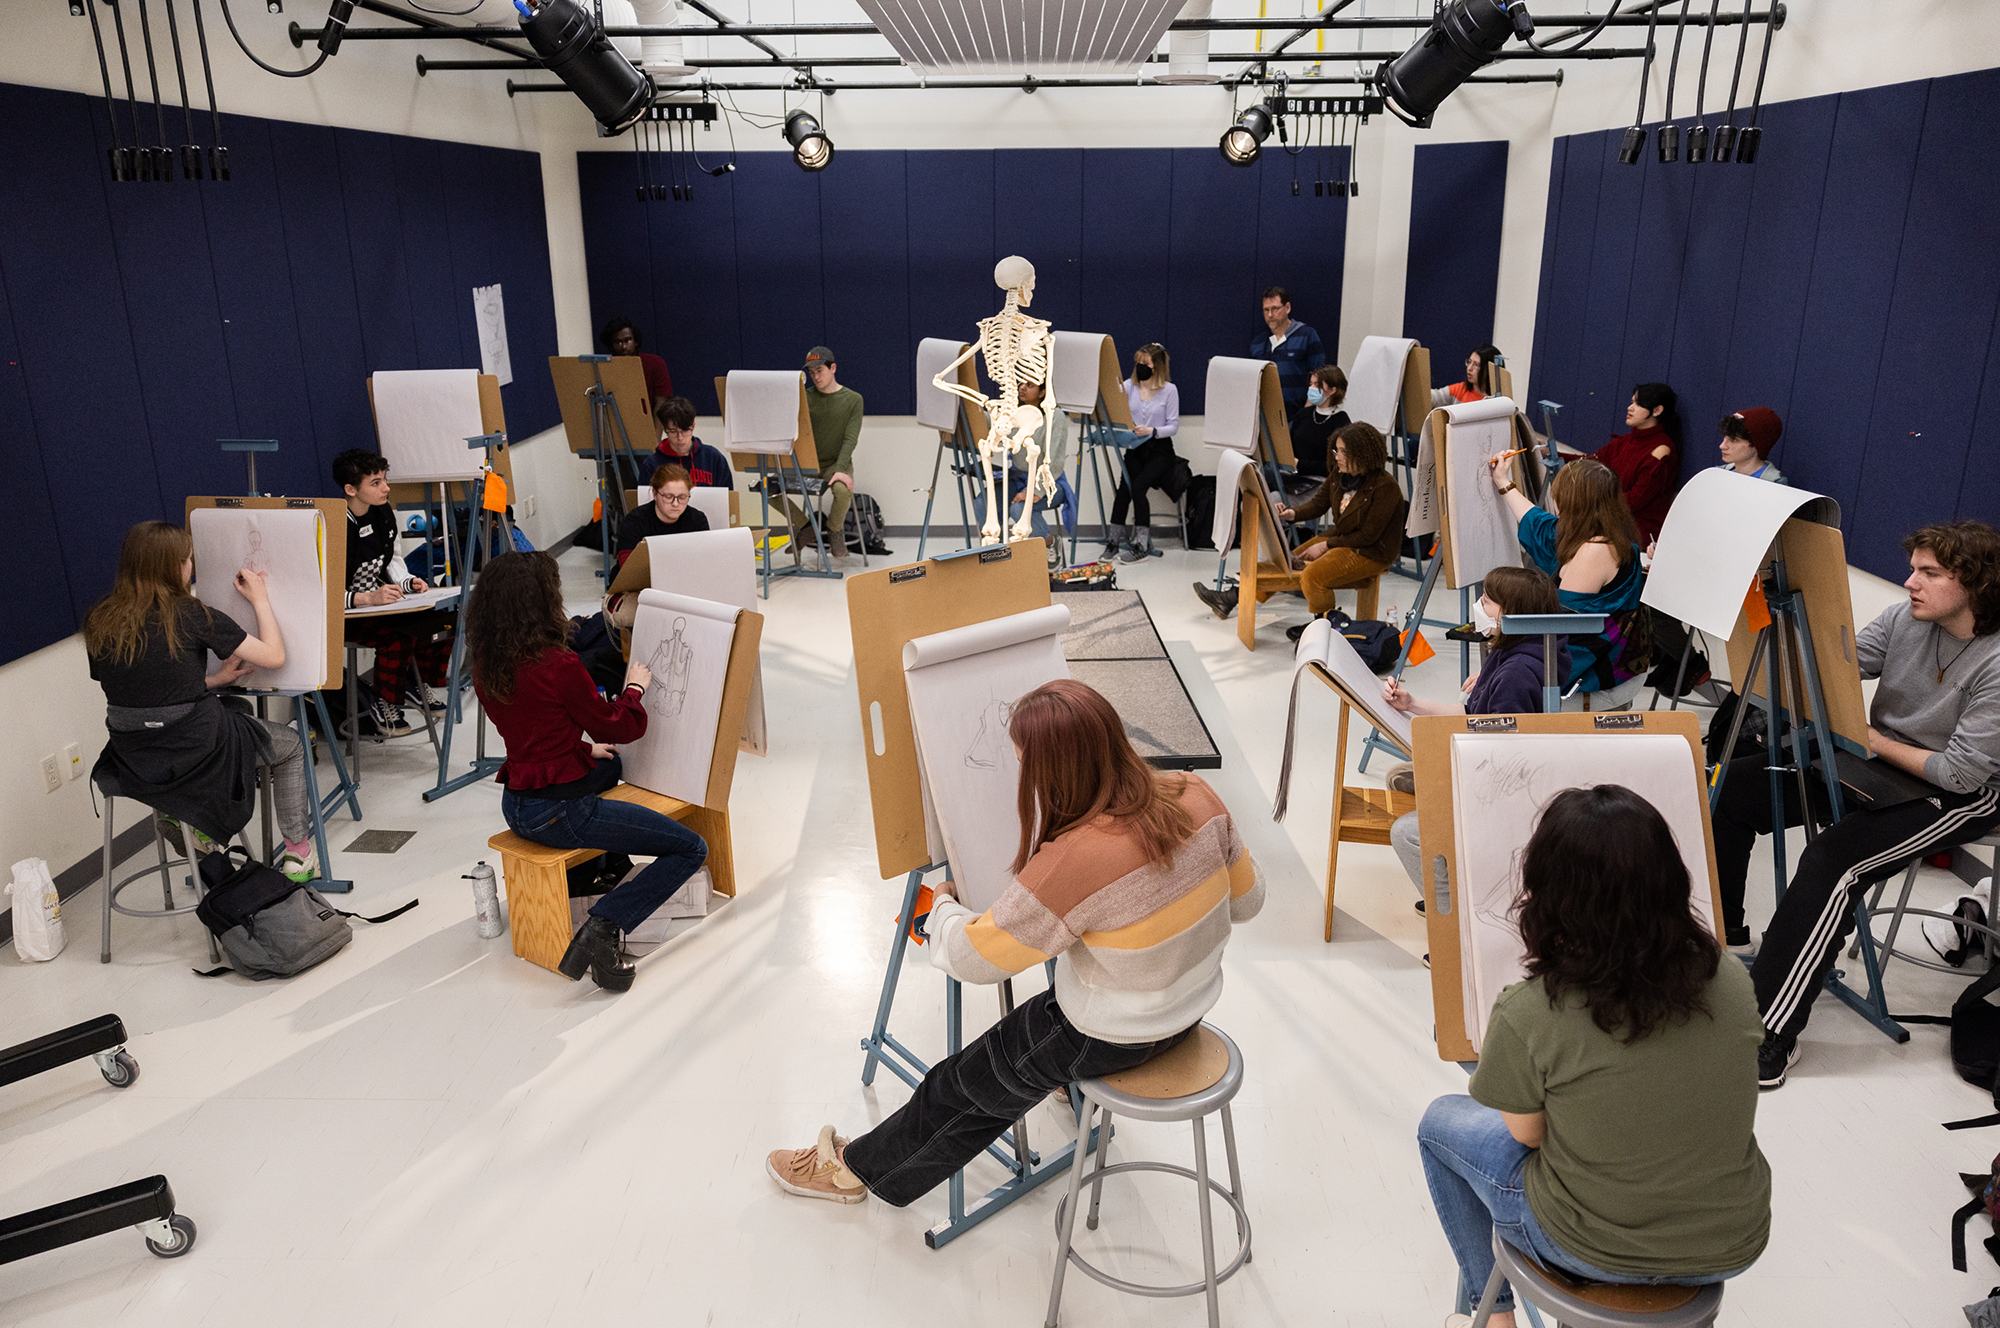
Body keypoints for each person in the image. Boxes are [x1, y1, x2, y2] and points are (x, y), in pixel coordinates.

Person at [765, 679, 1264, 1205]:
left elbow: (972, 958)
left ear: (1052, 773)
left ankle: (852, 1171)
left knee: (960, 1086)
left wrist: (942, 907)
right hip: (1192, 1005)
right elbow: (1248, 904)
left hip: (1118, 1034)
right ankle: (1065, 1085)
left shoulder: (1075, 860)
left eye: (1024, 761)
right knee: (1038, 1020)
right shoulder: (1197, 794)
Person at [1419, 785, 1770, 1328]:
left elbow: (1529, 1137)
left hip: (1590, 1245)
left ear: (1548, 895)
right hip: (1730, 1237)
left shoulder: (1531, 1010)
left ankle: (1496, 1319)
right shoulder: (1729, 977)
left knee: (1439, 1125)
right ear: (1670, 880)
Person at [1713, 521, 2000, 1084]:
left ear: (1977, 585)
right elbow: (1829, 673)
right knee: (1731, 791)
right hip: (1883, 762)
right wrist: (1774, 614)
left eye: (1929, 573)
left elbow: (1960, 774)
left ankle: (1770, 1033)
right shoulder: (1903, 619)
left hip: (1961, 792)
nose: (1910, 582)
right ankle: (1725, 942)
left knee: (1833, 861)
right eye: (1914, 568)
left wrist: (1874, 741)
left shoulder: (1994, 662)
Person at [468, 551, 708, 993]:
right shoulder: (558, 666)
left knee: (608, 762)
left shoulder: (486, 663)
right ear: (540, 603)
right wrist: (634, 688)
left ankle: (609, 868)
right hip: (562, 813)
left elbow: (532, 726)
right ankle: (604, 926)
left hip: (517, 804)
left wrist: (580, 747)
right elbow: (622, 725)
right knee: (691, 848)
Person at [84, 522, 321, 883]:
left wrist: (212, 681)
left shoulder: (100, 619)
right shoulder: (191, 613)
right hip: (193, 752)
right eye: (188, 559)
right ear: (175, 565)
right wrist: (259, 599)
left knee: (233, 713)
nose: (191, 566)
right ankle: (297, 856)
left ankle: (182, 814)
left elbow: (140, 691)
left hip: (135, 760)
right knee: (289, 746)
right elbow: (273, 656)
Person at [1382, 567, 1570, 905]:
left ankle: (1452, 922)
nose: (1478, 606)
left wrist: (1438, 762)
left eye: (1486, 601)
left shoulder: (1516, 674)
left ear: (1510, 614)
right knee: (1399, 777)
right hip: (1486, 770)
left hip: (1498, 791)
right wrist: (1411, 704)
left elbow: (1501, 761)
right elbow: (1473, 717)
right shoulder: (1510, 650)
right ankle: (1452, 880)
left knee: (1405, 833)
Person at [1492, 456, 1646, 702]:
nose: (1555, 502)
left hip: (1598, 671)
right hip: (1609, 659)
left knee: (1494, 692)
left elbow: (1561, 630)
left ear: (1574, 503)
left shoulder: (1595, 552)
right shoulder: (1599, 532)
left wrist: (1498, 665)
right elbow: (1539, 525)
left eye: (1559, 496)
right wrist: (1503, 482)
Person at [334, 449, 454, 741]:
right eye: (375, 483)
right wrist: (366, 599)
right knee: (397, 637)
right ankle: (383, 700)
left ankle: (415, 682)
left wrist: (407, 582)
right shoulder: (335, 524)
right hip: (345, 612)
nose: (386, 488)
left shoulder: (383, 513)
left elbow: (391, 562)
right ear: (351, 489)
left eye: (384, 480)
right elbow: (321, 589)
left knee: (445, 620)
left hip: (379, 605)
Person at [1252, 422, 1405, 628]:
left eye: (1343, 452)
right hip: (1346, 537)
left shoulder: (1386, 487)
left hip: (1372, 551)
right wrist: (1291, 514)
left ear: (1361, 454)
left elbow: (1368, 536)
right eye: (1337, 450)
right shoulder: (1339, 475)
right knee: (1288, 562)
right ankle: (1240, 596)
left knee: (1313, 576)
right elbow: (1318, 505)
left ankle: (1325, 627)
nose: (1337, 457)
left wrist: (1326, 546)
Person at [780, 346, 863, 569]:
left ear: (832, 368)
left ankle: (834, 531)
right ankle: (807, 527)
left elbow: (850, 439)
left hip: (836, 463)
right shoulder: (804, 397)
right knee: (770, 489)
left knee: (843, 492)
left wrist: (841, 469)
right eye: (812, 373)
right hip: (807, 464)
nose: (815, 377)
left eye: (820, 371)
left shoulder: (853, 400)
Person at [1106, 343, 1183, 563]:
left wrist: (1152, 430)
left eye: (1145, 364)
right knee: (1125, 490)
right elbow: (1116, 408)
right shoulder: (1130, 386)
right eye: (1138, 363)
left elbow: (1173, 426)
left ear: (1157, 367)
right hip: (1134, 447)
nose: (1141, 367)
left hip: (1159, 449)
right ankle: (1113, 542)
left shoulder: (1170, 390)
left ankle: (1141, 545)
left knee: (1138, 487)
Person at [1592, 382, 1683, 544]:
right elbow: (1592, 460)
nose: (1630, 408)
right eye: (1632, 402)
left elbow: (1635, 500)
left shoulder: (1662, 450)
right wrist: (1550, 452)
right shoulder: (1625, 441)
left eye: (1638, 404)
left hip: (1637, 534)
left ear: (1657, 410)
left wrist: (1595, 505)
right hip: (1613, 521)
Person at [1249, 285, 1327, 415]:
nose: (1270, 315)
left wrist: (1305, 413)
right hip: (1266, 414)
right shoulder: (1259, 342)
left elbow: (1320, 374)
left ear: (1287, 308)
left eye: (1275, 309)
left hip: (1297, 414)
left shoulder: (1307, 335)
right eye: (1266, 310)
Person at [614, 465, 709, 567]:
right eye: (668, 497)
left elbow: (705, 562)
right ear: (655, 493)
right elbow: (628, 568)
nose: (675, 503)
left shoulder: (697, 520)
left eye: (682, 497)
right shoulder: (634, 522)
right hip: (638, 580)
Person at [643, 396, 732, 490]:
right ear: (665, 429)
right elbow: (646, 501)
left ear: (693, 426)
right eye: (673, 431)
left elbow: (727, 497)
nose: (680, 438)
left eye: (685, 431)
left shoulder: (714, 458)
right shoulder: (651, 464)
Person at [1287, 364, 1351, 483]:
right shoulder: (1303, 414)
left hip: (1323, 482)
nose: (1311, 388)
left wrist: (1300, 464)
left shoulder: (1341, 422)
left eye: (1317, 385)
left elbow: (1336, 466)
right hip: (1294, 478)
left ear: (1332, 390)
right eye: (1311, 384)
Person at [601, 316, 673, 409]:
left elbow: (661, 404)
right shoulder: (604, 367)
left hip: (648, 420)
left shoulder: (655, 363)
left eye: (628, 340)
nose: (624, 346)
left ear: (636, 341)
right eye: (618, 342)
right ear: (611, 345)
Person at [1715, 407, 1786, 484]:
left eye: (1734, 440)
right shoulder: (1715, 475)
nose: (1722, 446)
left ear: (1757, 445)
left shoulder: (1775, 486)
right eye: (1725, 437)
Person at [1430, 343, 1502, 409]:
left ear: (1489, 370)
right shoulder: (1460, 390)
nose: (1469, 368)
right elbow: (1433, 397)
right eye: (1469, 362)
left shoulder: (1498, 402)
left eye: (1476, 365)